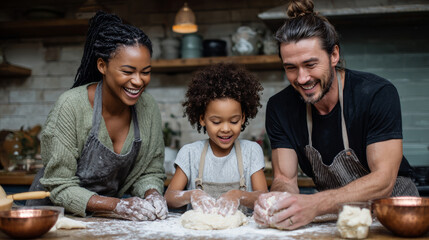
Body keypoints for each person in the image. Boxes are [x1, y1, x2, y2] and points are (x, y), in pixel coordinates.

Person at [253, 0, 419, 230]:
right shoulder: (280, 107)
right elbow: (284, 179)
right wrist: (278, 203)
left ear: (334, 55)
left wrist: (317, 203)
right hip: (335, 217)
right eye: (291, 67)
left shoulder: (376, 94)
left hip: (392, 214)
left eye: (310, 64)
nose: (302, 78)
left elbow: (383, 181)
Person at [26, 11, 167, 221]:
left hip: (101, 219)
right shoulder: (71, 106)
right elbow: (59, 184)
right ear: (102, 66)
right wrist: (117, 206)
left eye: (145, 72)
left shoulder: (148, 108)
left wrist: (152, 193)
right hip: (50, 219)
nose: (138, 81)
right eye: (128, 71)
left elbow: (149, 172)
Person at [164, 63, 268, 216]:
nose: (225, 129)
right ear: (202, 119)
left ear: (243, 118)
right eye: (216, 122)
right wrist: (191, 195)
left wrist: (239, 195)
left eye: (234, 121)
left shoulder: (251, 151)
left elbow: (263, 197)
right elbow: (169, 198)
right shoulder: (190, 153)